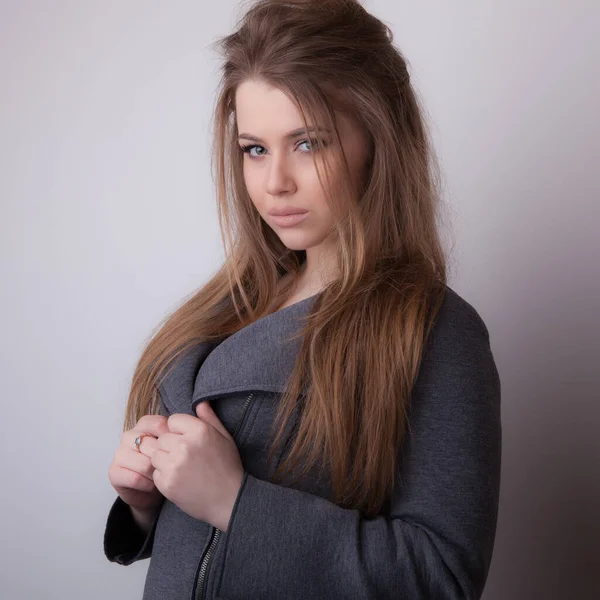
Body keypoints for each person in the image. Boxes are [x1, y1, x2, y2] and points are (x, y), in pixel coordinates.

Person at [104, 0, 502, 599]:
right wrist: (143, 501)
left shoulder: (436, 333)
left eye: (308, 143)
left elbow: (441, 580)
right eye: (255, 149)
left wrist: (236, 504)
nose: (275, 182)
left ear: (378, 139)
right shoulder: (228, 303)